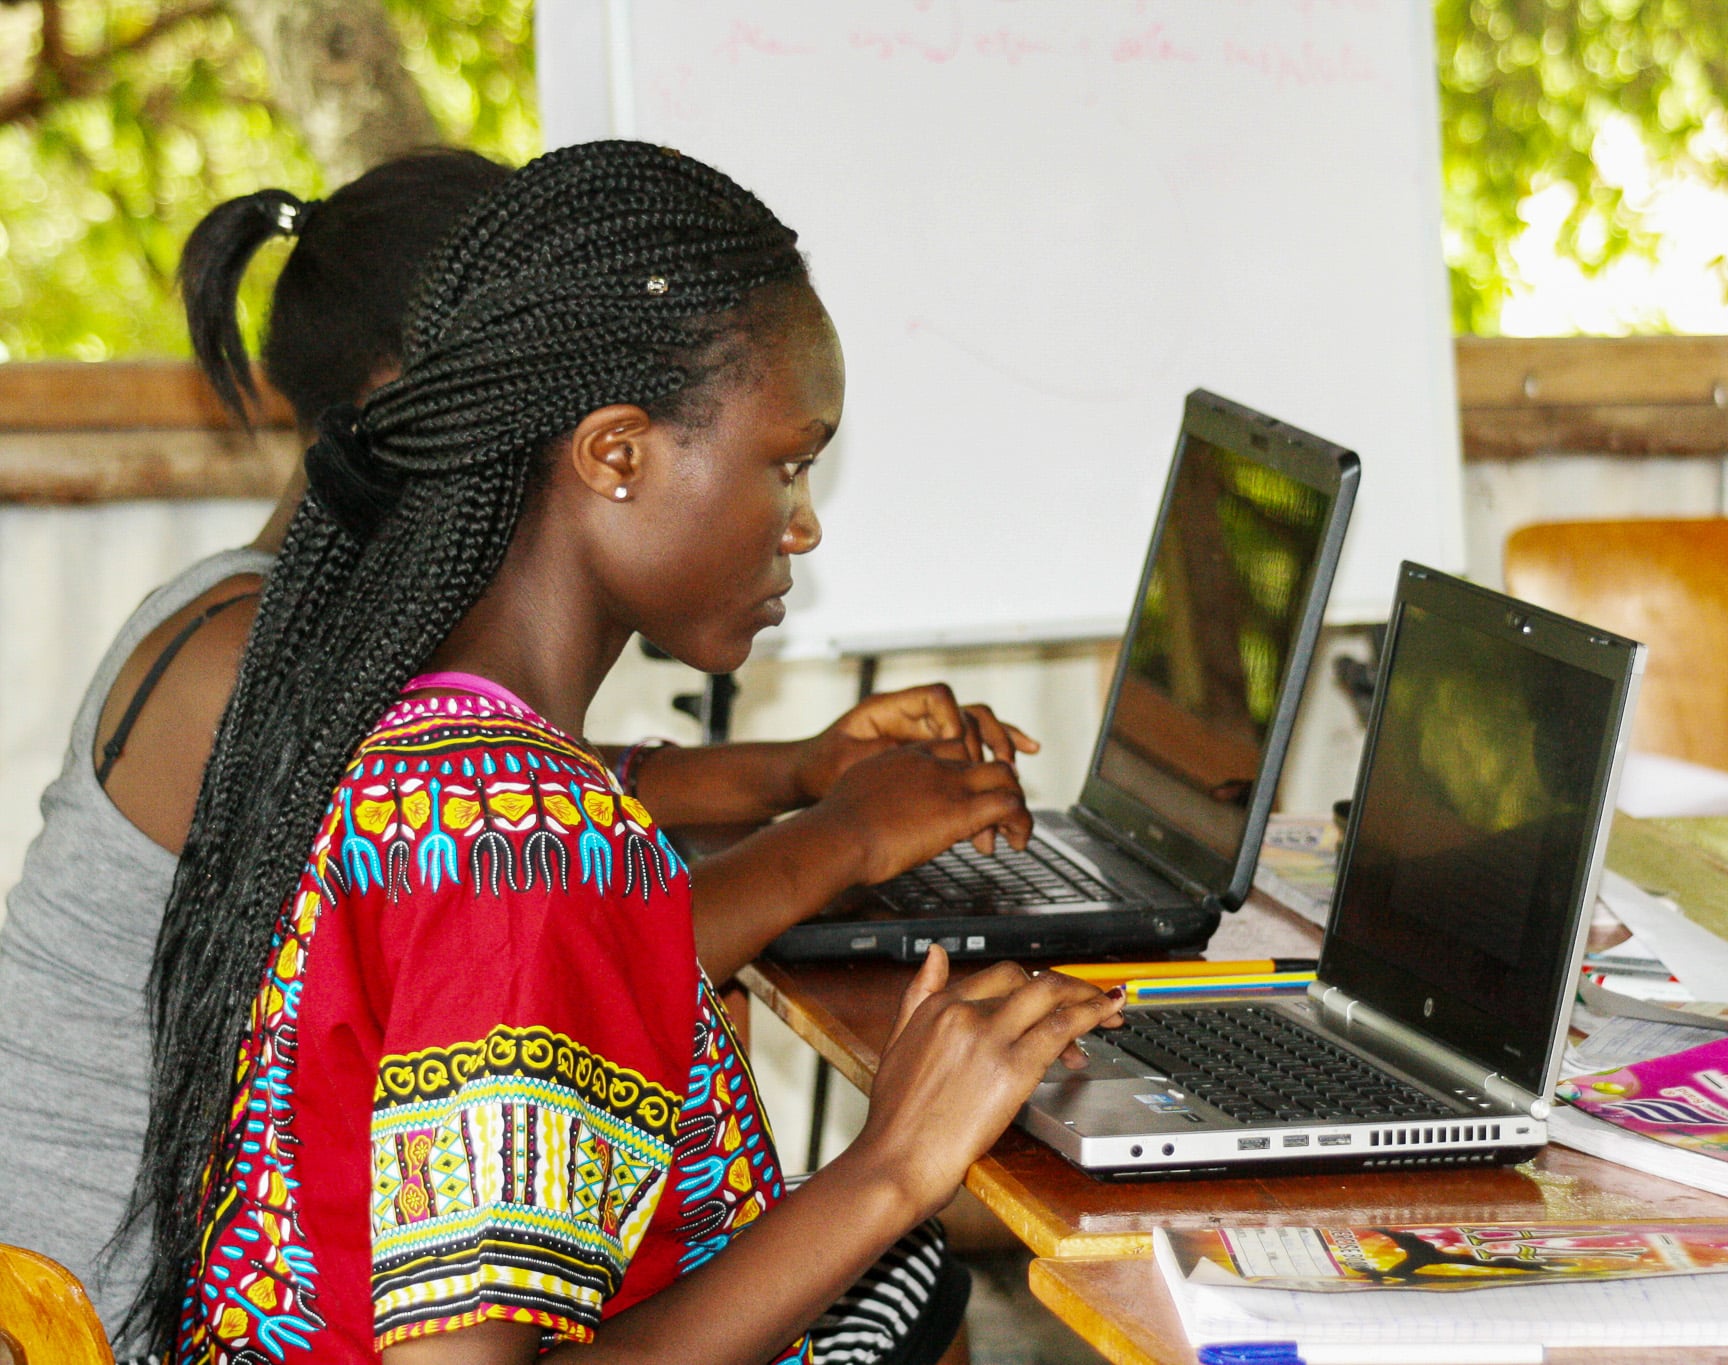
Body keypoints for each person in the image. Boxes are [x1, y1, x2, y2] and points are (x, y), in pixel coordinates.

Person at [0, 146, 1037, 1357]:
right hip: (86, 1294)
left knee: (884, 1276)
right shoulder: (520, 849)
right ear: (611, 454)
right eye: (787, 465)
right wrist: (893, 1164)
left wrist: (803, 782)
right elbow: (538, 903)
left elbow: (572, 848)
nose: (804, 522)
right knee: (901, 1274)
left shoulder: (410, 735)